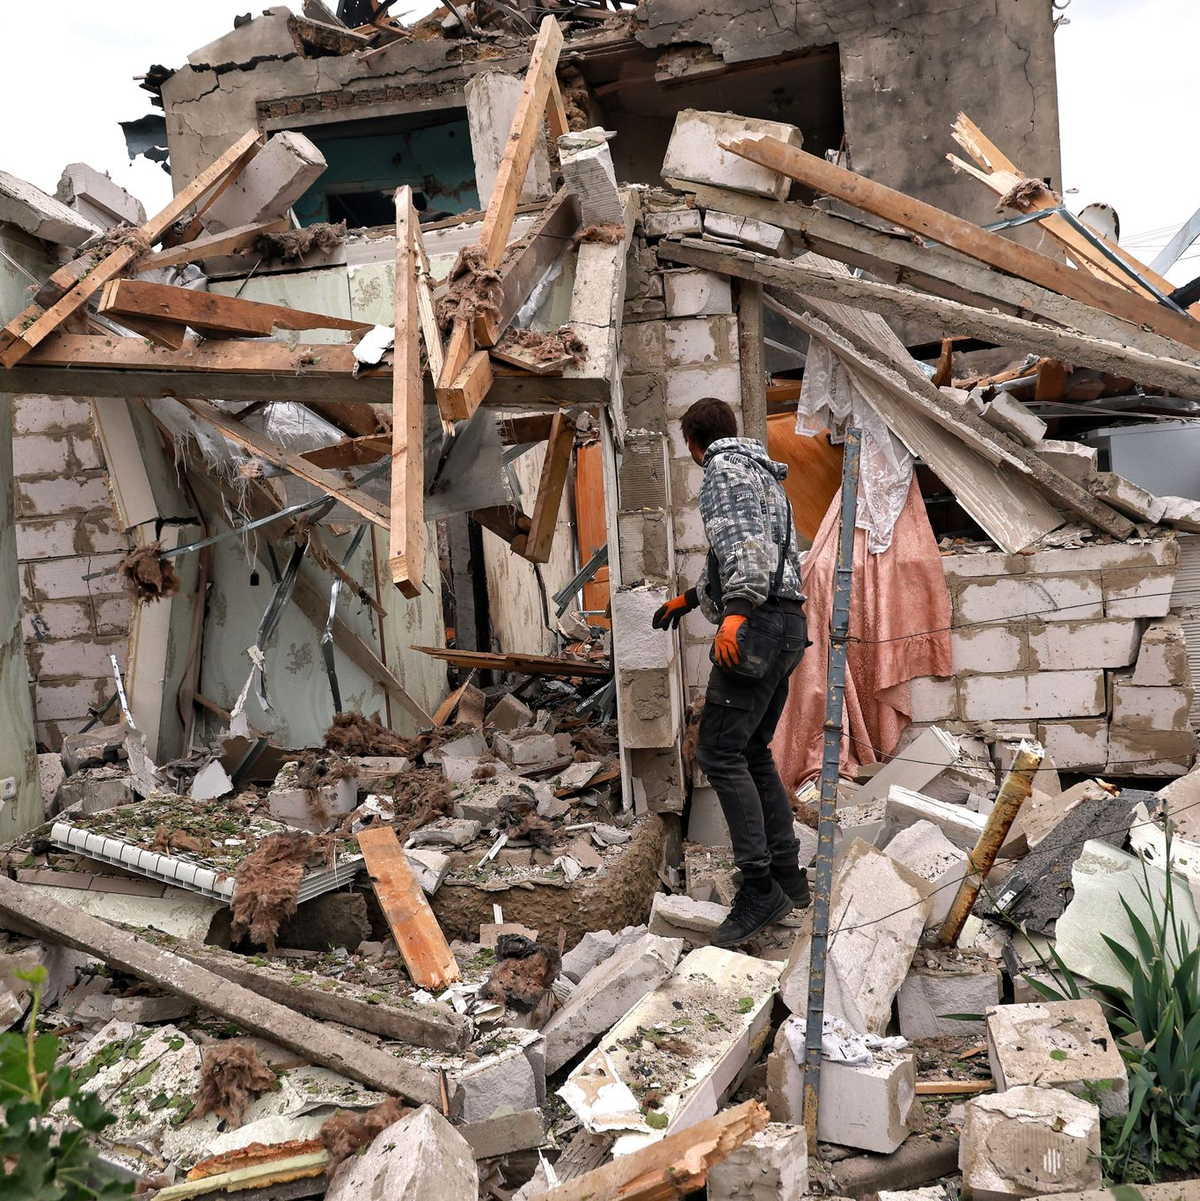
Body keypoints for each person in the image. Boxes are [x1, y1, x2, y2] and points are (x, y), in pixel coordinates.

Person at [652, 397, 809, 946]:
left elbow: (746, 550)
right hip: (787, 624)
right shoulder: (763, 474)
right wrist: (691, 599)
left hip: (758, 625)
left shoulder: (720, 470)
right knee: (752, 751)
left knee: (719, 751)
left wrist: (736, 613)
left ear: (692, 442)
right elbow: (759, 551)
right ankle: (789, 875)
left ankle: (760, 887)